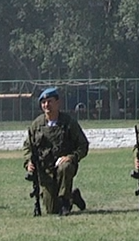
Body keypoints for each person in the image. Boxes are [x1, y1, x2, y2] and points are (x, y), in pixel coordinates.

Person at [22, 87, 90, 215]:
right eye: (43, 102)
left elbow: (83, 145)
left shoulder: (69, 123)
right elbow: (27, 147)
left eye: (50, 101)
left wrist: (71, 157)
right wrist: (29, 162)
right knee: (52, 210)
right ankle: (73, 196)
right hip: (45, 171)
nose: (46, 105)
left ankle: (65, 202)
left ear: (58, 102)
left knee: (65, 167)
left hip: (63, 166)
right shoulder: (36, 125)